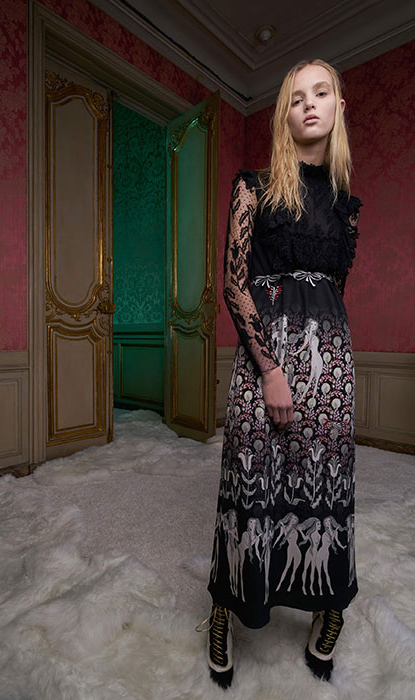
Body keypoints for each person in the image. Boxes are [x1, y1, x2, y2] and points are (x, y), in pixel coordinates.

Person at [196, 58, 362, 688]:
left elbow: (333, 289)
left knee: (324, 484)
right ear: (283, 116)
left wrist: (321, 360)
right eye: (297, 97)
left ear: (339, 107)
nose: (310, 104)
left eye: (322, 93)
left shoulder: (346, 209)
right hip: (264, 354)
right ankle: (225, 606)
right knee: (249, 479)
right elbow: (234, 283)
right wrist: (270, 367)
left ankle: (328, 606)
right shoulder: (253, 188)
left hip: (330, 360)